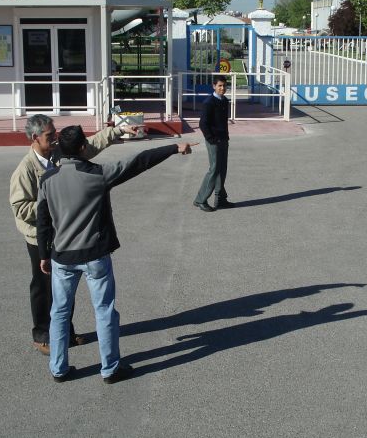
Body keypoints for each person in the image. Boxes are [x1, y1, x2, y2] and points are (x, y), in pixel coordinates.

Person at [37, 125, 196, 383]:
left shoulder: (47, 180)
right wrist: (174, 148)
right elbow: (138, 162)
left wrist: (44, 254)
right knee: (104, 311)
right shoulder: (98, 174)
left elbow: (43, 221)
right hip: (94, 256)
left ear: (60, 149)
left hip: (62, 258)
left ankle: (58, 368)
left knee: (60, 312)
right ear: (82, 147)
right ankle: (110, 369)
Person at [9, 114, 139, 356]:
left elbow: (92, 144)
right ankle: (42, 335)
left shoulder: (59, 154)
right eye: (50, 135)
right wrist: (51, 203)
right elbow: (20, 208)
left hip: (61, 233)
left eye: (55, 134)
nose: (55, 138)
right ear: (35, 137)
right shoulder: (25, 169)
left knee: (63, 290)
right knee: (43, 287)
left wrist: (118, 131)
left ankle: (65, 333)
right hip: (39, 238)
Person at [193, 75, 235, 212]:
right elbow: (203, 124)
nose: (222, 88)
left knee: (222, 169)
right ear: (214, 86)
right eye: (219, 86)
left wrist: (225, 137)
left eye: (224, 85)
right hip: (214, 141)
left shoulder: (224, 101)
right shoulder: (209, 102)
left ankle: (220, 199)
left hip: (223, 140)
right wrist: (211, 139)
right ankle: (200, 200)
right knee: (214, 169)